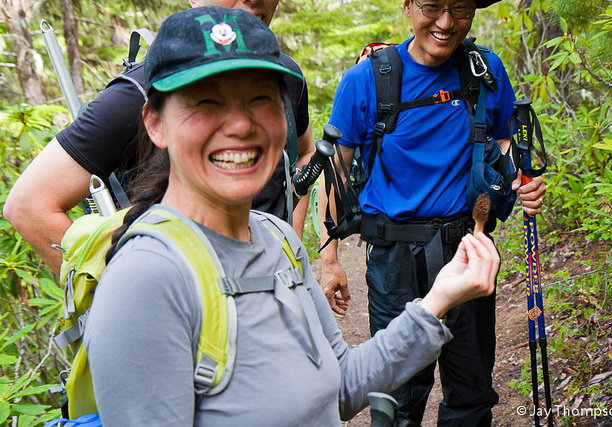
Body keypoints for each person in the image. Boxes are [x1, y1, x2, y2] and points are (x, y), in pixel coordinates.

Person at [83, 6, 500, 426]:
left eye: (260, 98)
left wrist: (437, 300)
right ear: (155, 123)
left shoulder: (277, 238)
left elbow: (340, 385)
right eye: (206, 102)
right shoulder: (147, 279)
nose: (241, 125)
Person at [318, 0, 547, 425]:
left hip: (468, 246)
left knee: (471, 388)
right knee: (398, 393)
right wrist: (329, 258)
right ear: (408, 6)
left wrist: (522, 183)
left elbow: (501, 143)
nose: (445, 23)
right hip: (393, 258)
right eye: (432, 7)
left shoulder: (485, 69)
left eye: (459, 8)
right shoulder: (366, 80)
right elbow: (336, 169)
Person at [3, 0, 313, 275]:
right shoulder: (140, 92)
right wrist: (114, 293)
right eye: (206, 102)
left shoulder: (288, 76)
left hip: (274, 289)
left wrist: (291, 247)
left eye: (260, 99)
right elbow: (29, 205)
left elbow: (304, 152)